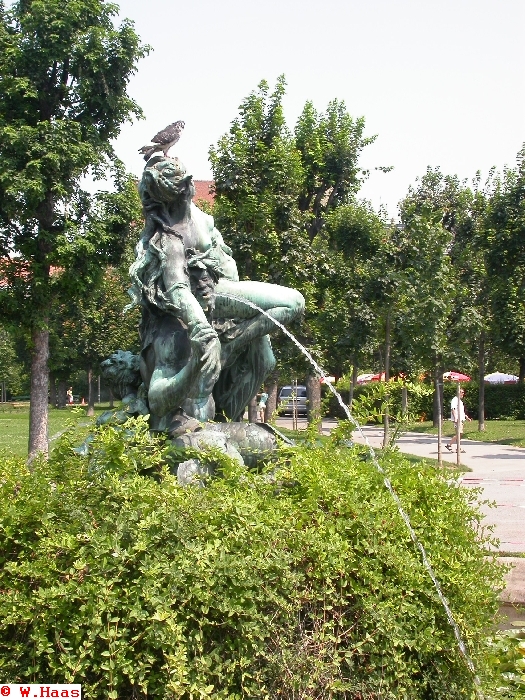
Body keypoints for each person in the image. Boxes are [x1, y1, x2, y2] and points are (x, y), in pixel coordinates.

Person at [127, 155, 305, 433]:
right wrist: (201, 329)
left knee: (292, 304)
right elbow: (178, 290)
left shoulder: (202, 219)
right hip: (186, 301)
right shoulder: (167, 236)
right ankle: (222, 418)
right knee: (259, 356)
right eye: (168, 202)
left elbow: (226, 263)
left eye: (177, 197)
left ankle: (230, 345)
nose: (175, 205)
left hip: (218, 291)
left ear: (186, 186)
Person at [445, 388, 471, 452]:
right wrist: (455, 417)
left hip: (461, 419)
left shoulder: (460, 401)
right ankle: (449, 445)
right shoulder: (455, 400)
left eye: (463, 392)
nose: (463, 394)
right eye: (462, 392)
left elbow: (461, 411)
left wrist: (466, 417)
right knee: (459, 433)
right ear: (458, 393)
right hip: (457, 419)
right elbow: (453, 409)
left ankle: (458, 448)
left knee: (459, 434)